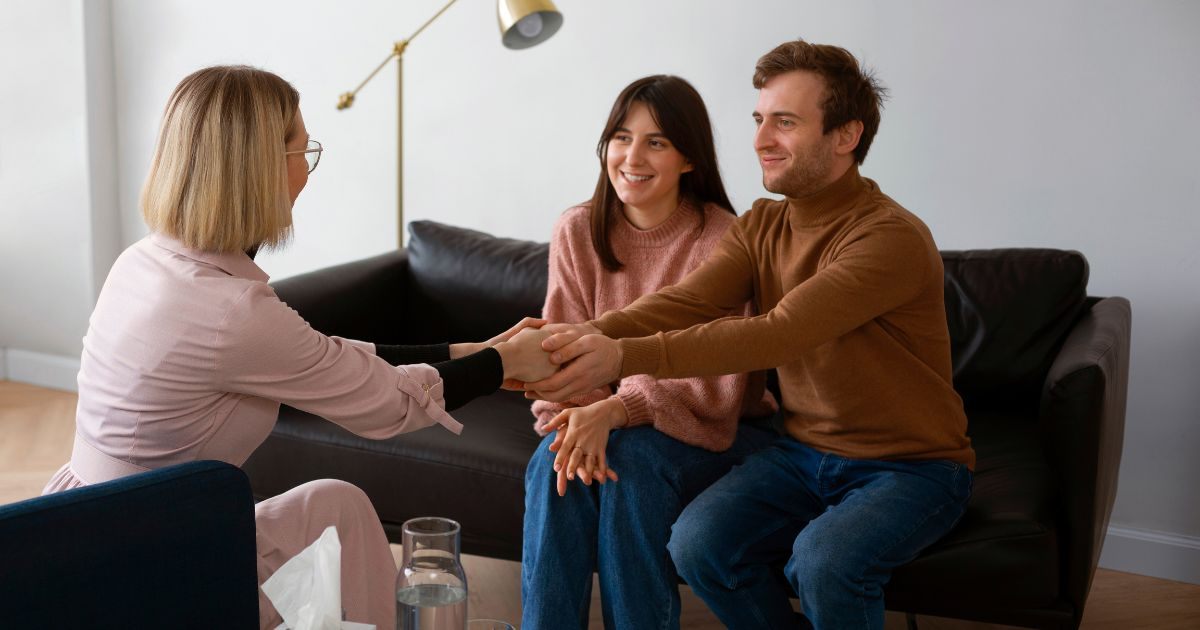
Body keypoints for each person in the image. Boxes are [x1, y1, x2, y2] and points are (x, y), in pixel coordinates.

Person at [40, 65, 555, 630]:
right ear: (258, 168)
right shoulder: (232, 313)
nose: (306, 174)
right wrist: (502, 364)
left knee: (336, 507)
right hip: (153, 546)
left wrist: (467, 354)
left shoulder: (146, 260)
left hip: (82, 517)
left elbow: (325, 354)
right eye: (302, 153)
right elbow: (388, 403)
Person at [524, 41, 975, 630]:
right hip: (802, 454)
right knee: (697, 545)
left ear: (846, 135)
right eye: (760, 120)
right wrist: (579, 337)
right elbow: (687, 302)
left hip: (911, 468)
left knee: (824, 561)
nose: (762, 139)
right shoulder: (764, 223)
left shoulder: (887, 238)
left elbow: (777, 334)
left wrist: (619, 355)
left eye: (785, 122)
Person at [520, 75, 777, 630]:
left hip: (716, 427)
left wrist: (615, 411)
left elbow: (717, 380)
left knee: (631, 464)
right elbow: (562, 350)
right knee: (553, 464)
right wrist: (580, 418)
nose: (632, 156)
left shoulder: (723, 240)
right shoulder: (577, 230)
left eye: (656, 142)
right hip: (611, 420)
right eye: (621, 137)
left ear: (689, 158)